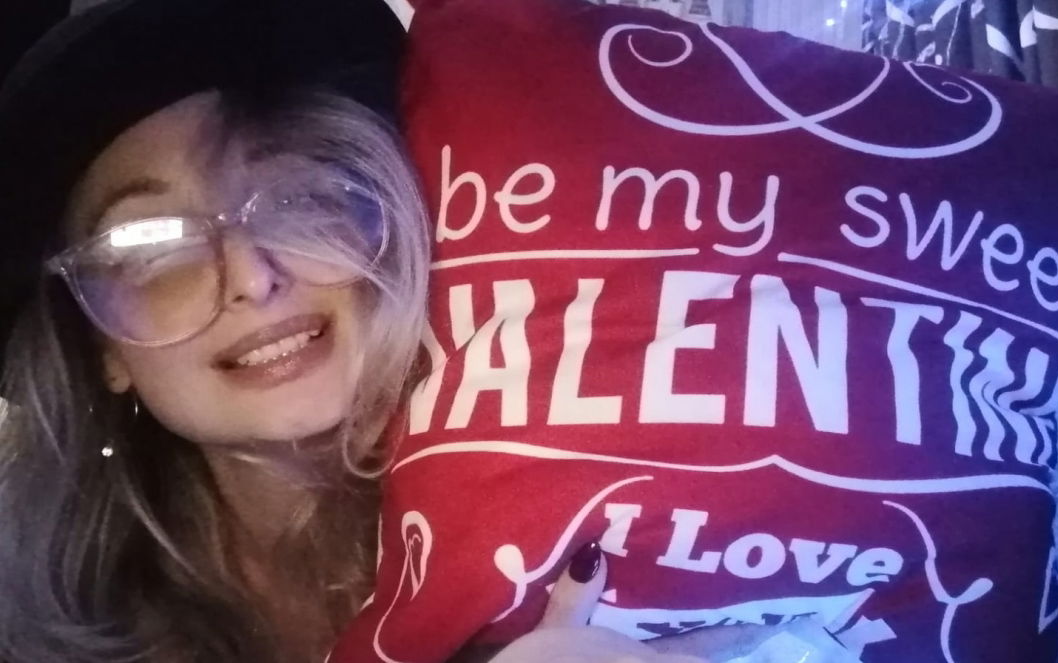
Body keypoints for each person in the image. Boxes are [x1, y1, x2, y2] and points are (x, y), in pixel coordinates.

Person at [0, 1, 797, 661]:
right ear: (101, 347)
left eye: (298, 197)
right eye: (149, 247)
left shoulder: (608, 521)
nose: (250, 274)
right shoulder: (37, 613)